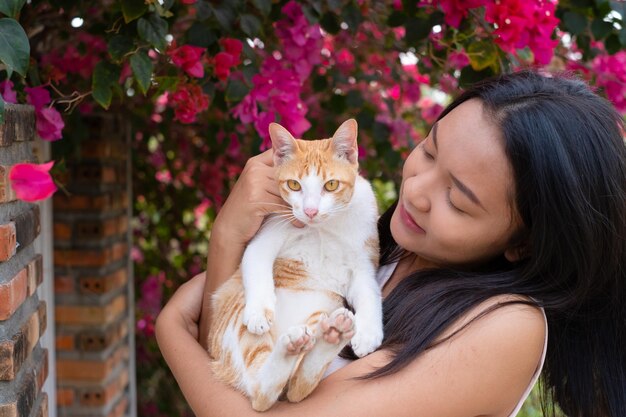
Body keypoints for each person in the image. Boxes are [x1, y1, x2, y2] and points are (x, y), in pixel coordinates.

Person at [155, 71, 626, 417]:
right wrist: (228, 235)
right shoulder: (387, 250)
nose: (416, 190)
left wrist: (172, 326)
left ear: (523, 243)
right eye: (429, 149)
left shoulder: (506, 326)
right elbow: (233, 358)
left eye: (458, 201)